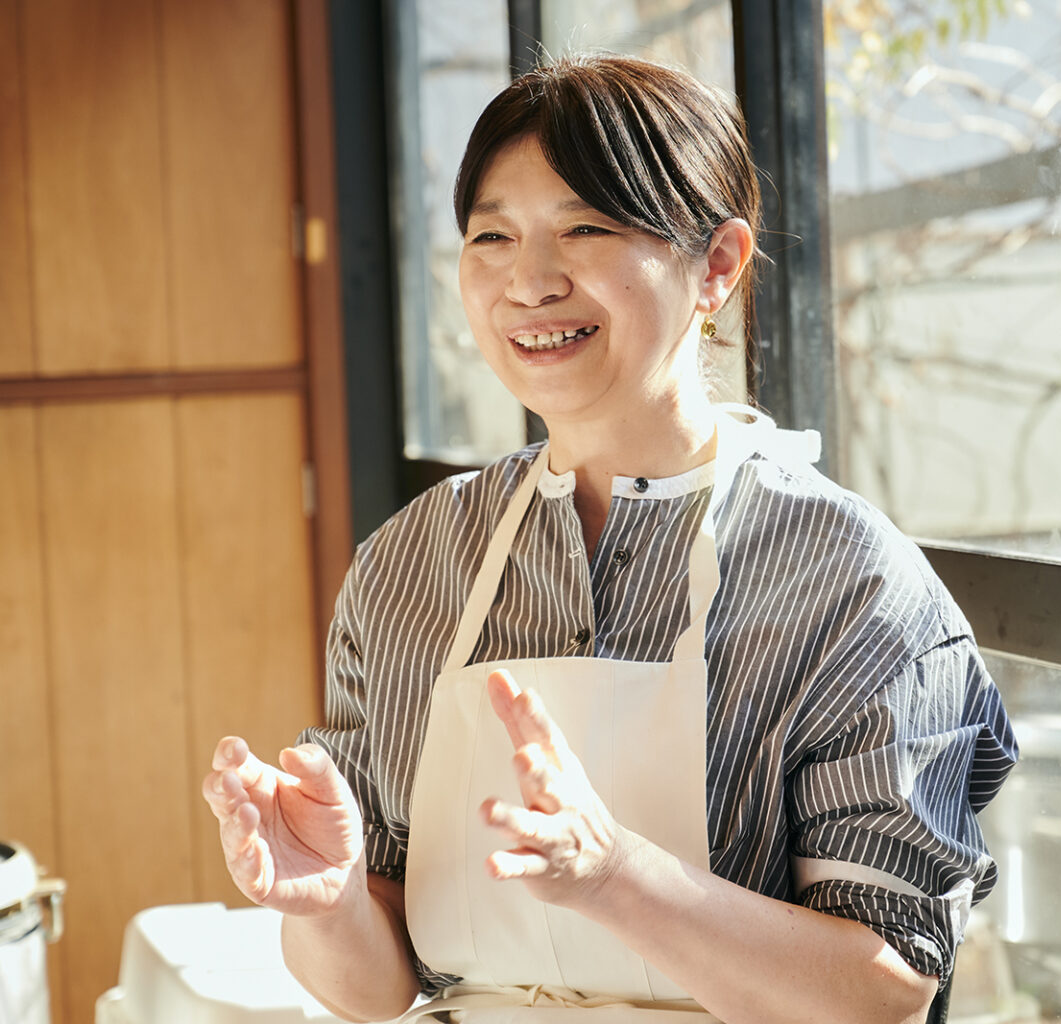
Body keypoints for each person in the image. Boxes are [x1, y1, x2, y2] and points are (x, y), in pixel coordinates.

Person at [203, 54, 1016, 1024]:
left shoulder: (852, 585)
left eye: (585, 227)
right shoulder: (412, 564)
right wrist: (329, 900)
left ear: (717, 265)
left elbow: (877, 992)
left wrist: (615, 874)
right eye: (491, 236)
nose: (530, 281)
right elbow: (377, 989)